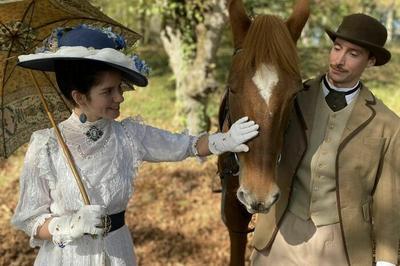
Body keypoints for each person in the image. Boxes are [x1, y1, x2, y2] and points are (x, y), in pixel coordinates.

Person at [11, 25, 259, 266]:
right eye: (108, 91)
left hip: (118, 254)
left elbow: (187, 145)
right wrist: (68, 225)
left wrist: (226, 140)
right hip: (66, 258)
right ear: (79, 97)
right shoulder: (47, 145)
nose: (119, 97)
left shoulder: (129, 135)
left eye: (119, 88)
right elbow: (30, 219)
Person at [250, 13, 399, 266]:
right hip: (280, 232)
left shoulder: (388, 124)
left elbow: (390, 199)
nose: (339, 60)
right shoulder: (293, 97)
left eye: (353, 54)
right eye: (337, 48)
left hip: (341, 242)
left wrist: (386, 261)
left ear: (371, 61)